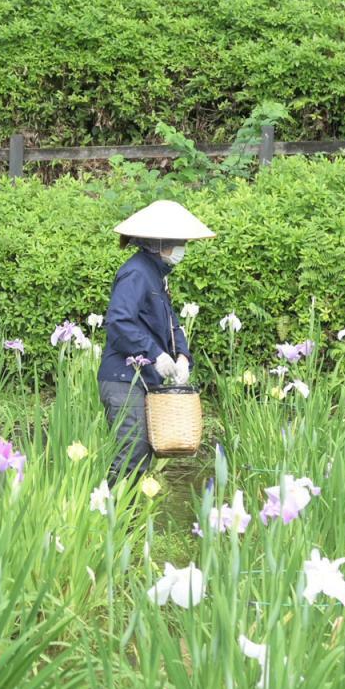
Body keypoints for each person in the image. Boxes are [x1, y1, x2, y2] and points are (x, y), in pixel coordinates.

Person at [99, 199, 214, 481]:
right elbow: (119, 320)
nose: (183, 248)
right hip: (122, 378)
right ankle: (106, 515)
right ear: (161, 242)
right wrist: (154, 354)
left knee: (142, 452)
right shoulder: (136, 272)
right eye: (180, 242)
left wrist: (183, 357)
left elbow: (171, 324)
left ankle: (122, 517)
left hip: (140, 377)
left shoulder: (157, 275)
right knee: (132, 449)